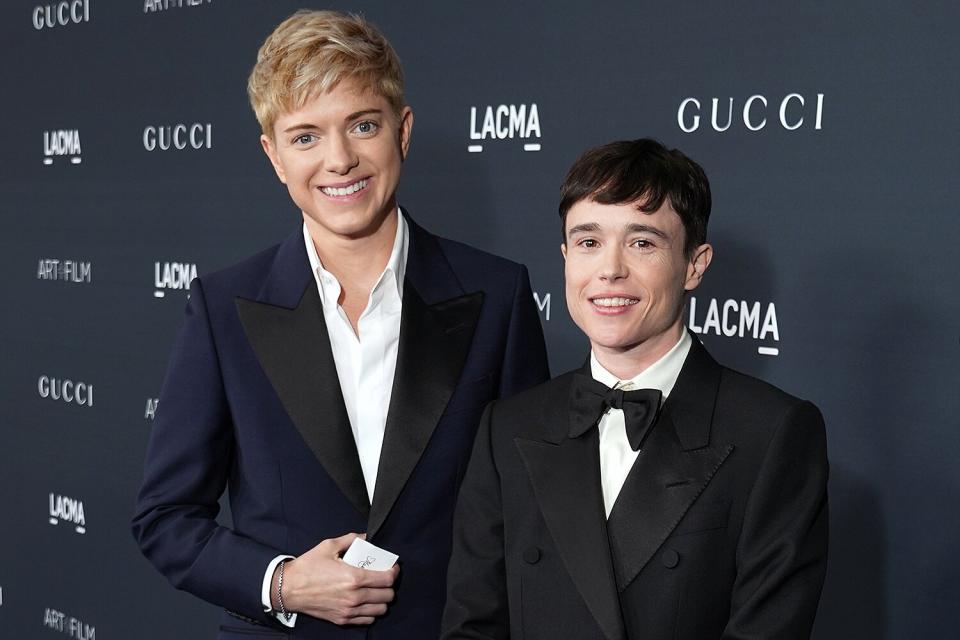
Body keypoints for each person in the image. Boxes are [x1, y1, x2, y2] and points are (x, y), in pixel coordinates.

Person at [132, 10, 549, 639]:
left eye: (362, 125)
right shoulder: (224, 308)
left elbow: (530, 514)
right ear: (273, 156)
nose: (340, 159)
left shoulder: (497, 293)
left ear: (402, 131)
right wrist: (283, 581)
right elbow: (164, 518)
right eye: (305, 137)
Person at [442, 138, 828, 639]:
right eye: (588, 242)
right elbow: (472, 627)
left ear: (695, 264)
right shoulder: (508, 428)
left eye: (642, 242)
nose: (610, 269)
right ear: (565, 257)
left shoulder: (773, 433)